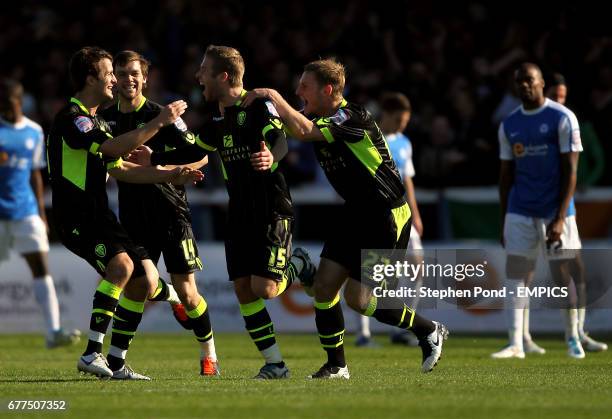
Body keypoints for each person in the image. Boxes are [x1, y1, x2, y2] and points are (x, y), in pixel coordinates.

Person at [242, 58, 447, 379]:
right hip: (355, 212)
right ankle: (336, 365)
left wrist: (273, 95)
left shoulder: (352, 117)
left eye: (304, 86)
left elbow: (303, 130)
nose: (298, 91)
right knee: (323, 289)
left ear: (327, 89)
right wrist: (270, 149)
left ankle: (429, 329)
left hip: (387, 216)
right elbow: (287, 130)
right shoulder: (316, 114)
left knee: (360, 300)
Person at [130, 45, 315, 379]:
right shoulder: (216, 116)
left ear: (223, 75)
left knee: (266, 289)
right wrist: (154, 159)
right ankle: (275, 364)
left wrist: (272, 157)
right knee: (244, 290)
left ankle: (298, 263)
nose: (198, 76)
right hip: (239, 213)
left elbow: (282, 140)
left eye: (204, 70)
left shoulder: (259, 105)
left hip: (272, 208)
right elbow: (193, 149)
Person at [47, 46, 202, 380]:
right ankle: (91, 353)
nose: (115, 81)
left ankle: (116, 363)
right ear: (91, 78)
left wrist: (171, 174)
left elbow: (122, 168)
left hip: (98, 214)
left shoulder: (95, 121)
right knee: (121, 266)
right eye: (108, 74)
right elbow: (112, 149)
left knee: (143, 282)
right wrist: (161, 121)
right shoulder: (73, 118)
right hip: (76, 216)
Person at [101, 50, 220, 375]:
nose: (128, 79)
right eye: (122, 73)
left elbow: (203, 157)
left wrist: (168, 165)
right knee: (138, 285)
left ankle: (209, 354)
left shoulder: (162, 115)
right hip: (133, 216)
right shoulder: (107, 119)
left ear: (145, 78)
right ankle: (115, 361)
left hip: (171, 213)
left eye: (134, 73)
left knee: (187, 290)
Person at [493, 62, 588, 360]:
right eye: (519, 81)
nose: (524, 85)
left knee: (563, 276)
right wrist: (504, 217)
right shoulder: (509, 124)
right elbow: (505, 175)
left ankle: (573, 337)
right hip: (520, 210)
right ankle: (516, 343)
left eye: (529, 80)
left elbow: (571, 170)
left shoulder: (562, 117)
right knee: (516, 274)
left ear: (541, 83)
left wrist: (560, 217)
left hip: (555, 211)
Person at [0, 78, 81, 349]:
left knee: (41, 268)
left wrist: (41, 213)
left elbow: (35, 173)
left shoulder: (34, 131)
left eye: (6, 101)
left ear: (18, 101)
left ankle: (53, 331)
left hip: (25, 212)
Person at [542, 73, 607, 352]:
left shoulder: (571, 124)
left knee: (577, 270)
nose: (560, 102)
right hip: (543, 208)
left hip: (566, 208)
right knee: (560, 273)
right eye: (555, 96)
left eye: (563, 98)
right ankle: (570, 336)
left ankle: (580, 332)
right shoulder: (539, 127)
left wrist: (583, 183)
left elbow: (588, 163)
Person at [355, 92, 424, 348]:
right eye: (399, 119)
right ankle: (363, 333)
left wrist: (416, 214)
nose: (402, 124)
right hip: (376, 212)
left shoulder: (405, 142)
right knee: (369, 270)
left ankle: (400, 328)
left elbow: (408, 180)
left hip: (403, 211)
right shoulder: (371, 136)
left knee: (417, 268)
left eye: (405, 120)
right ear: (387, 114)